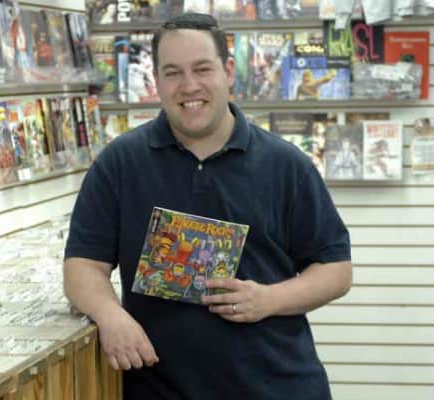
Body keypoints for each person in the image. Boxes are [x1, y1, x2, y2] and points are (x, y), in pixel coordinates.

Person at [64, 13, 352, 400]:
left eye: (202, 69)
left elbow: (336, 270)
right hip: (160, 389)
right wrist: (109, 314)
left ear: (228, 71)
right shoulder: (120, 162)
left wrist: (268, 299)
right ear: (157, 80)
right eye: (173, 73)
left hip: (278, 385)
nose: (189, 86)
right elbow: (82, 266)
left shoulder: (286, 164)